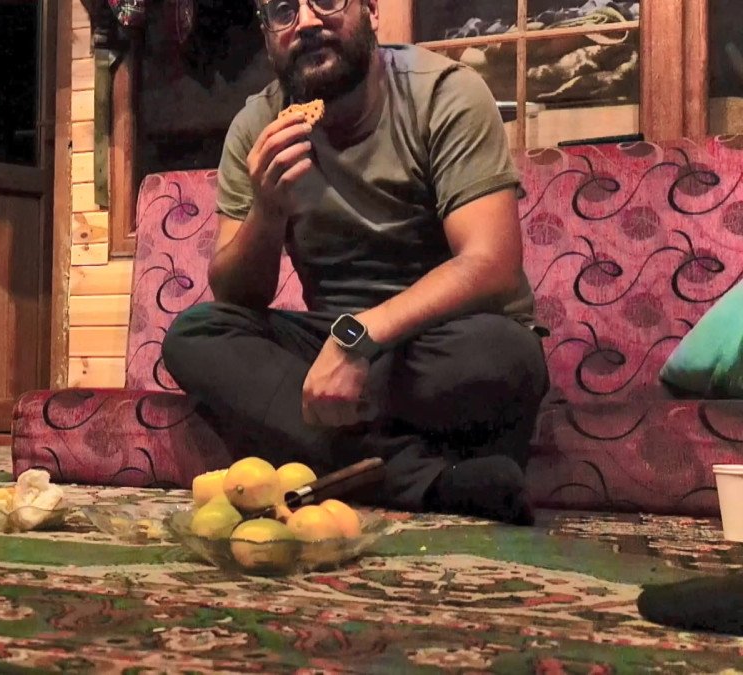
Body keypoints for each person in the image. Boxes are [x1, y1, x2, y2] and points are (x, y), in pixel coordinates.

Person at [161, 0, 550, 525]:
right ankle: (427, 478)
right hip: (331, 343)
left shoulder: (444, 93)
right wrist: (267, 211)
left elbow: (491, 263)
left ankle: (332, 451)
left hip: (442, 341)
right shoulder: (257, 126)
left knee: (507, 354)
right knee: (195, 334)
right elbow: (237, 294)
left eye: (326, 0)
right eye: (283, 10)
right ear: (268, 36)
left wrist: (358, 339)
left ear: (371, 9)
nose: (306, 21)